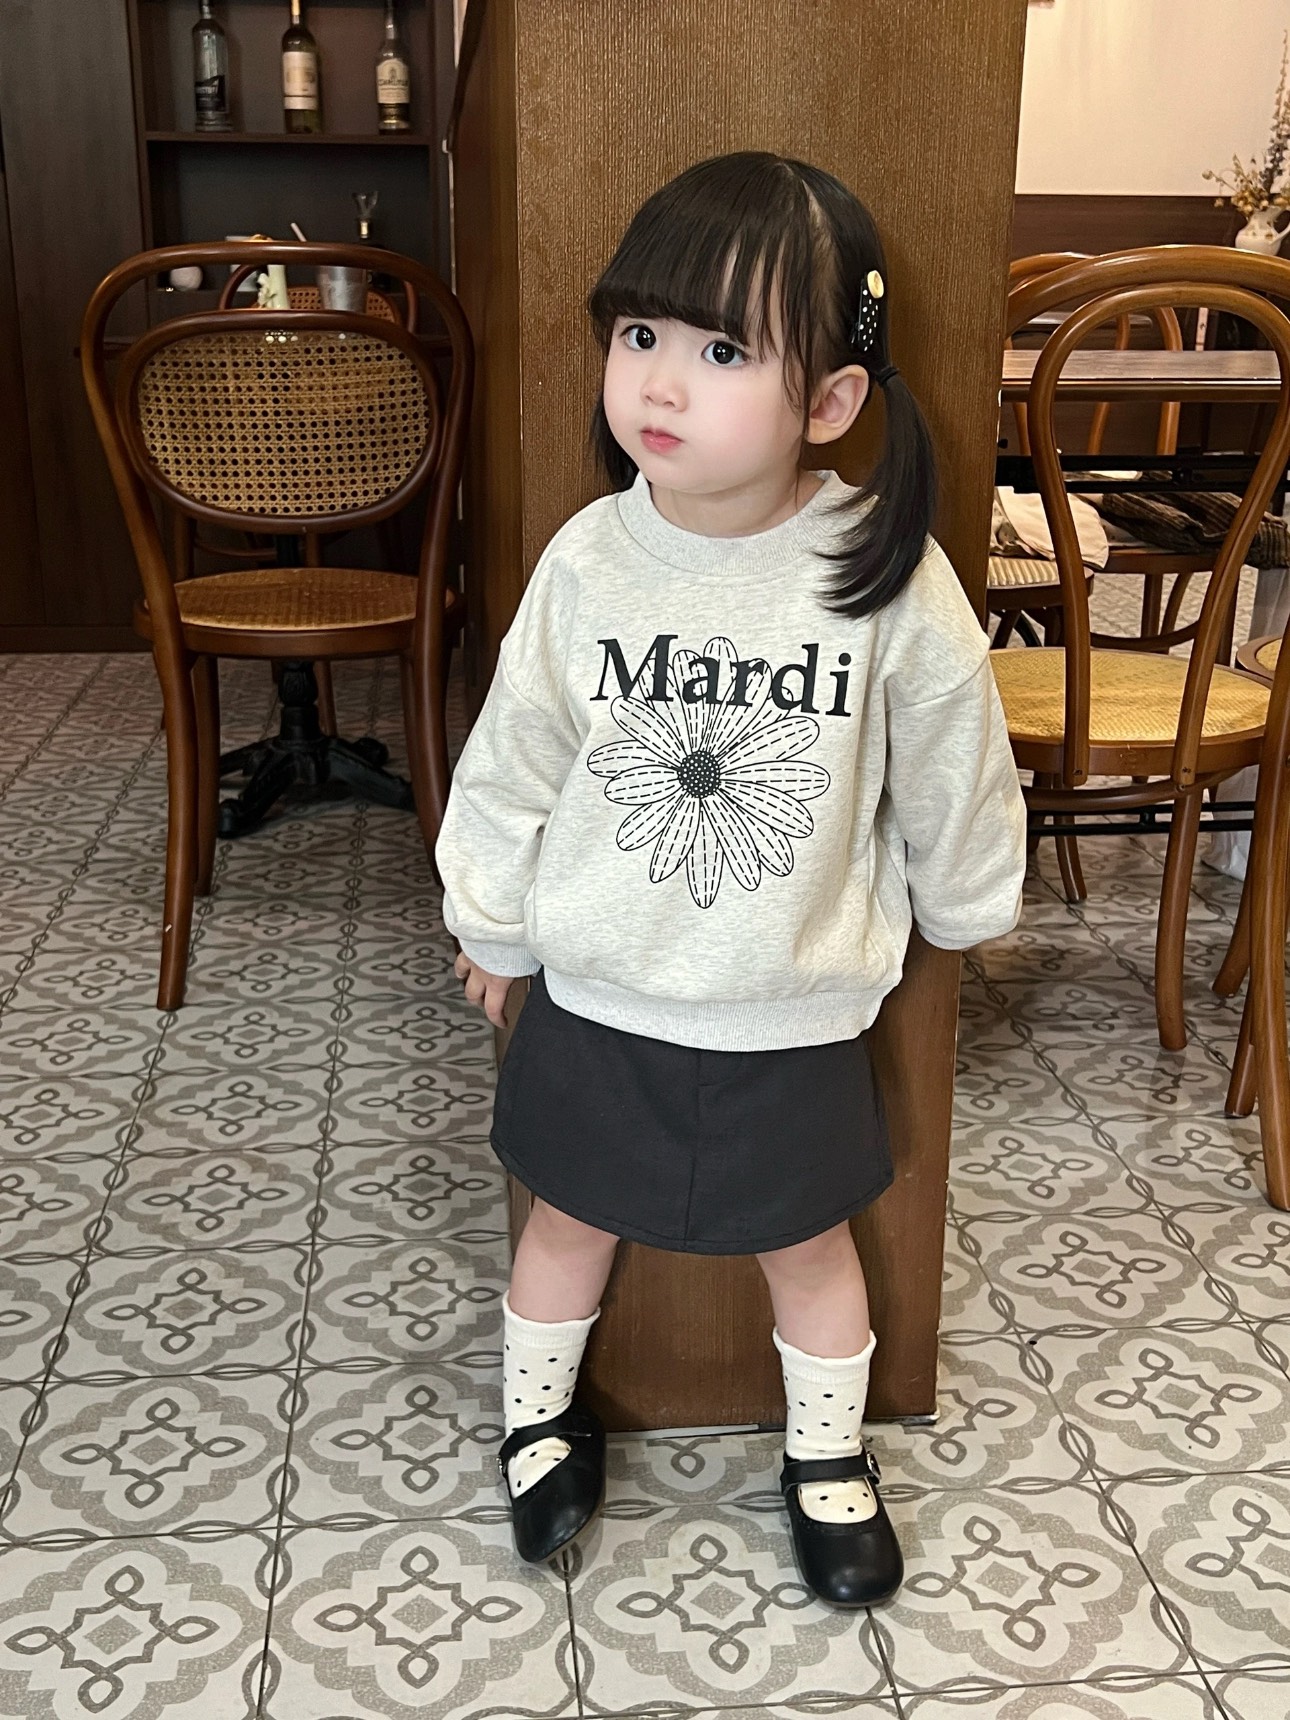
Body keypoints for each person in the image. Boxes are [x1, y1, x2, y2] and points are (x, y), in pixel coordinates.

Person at [434, 151, 1027, 1607]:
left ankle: (826, 1458)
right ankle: (536, 1422)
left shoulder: (884, 573)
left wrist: (968, 910)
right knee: (562, 1221)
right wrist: (491, 924)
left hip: (789, 1008)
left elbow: (955, 755)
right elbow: (512, 759)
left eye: (720, 351)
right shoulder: (588, 560)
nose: (658, 382)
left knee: (809, 1246)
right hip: (597, 991)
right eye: (639, 333)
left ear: (828, 400)